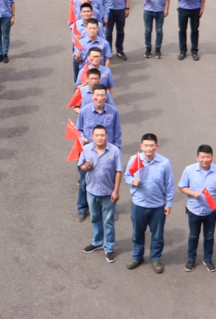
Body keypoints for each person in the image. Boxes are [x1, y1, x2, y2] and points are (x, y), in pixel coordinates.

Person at [124, 133, 174, 274]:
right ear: (141, 146)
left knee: (157, 236)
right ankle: (137, 256)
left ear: (156, 147)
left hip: (157, 206)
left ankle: (155, 258)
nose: (148, 148)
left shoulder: (164, 163)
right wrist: (132, 181)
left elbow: (169, 185)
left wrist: (168, 204)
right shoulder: (134, 160)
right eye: (145, 145)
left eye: (151, 146)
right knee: (137, 233)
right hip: (138, 205)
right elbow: (127, 176)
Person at [75, 86, 122, 222]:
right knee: (84, 182)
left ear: (106, 97)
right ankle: (82, 208)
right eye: (97, 95)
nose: (100, 98)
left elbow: (117, 132)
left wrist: (117, 150)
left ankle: (110, 208)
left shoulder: (113, 112)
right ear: (92, 96)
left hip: (108, 153)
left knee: (110, 182)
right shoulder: (84, 111)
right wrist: (82, 138)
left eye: (102, 95)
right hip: (89, 154)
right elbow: (78, 131)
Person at [178, 144, 216, 273]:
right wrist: (192, 193)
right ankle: (191, 259)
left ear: (212, 157)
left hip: (211, 211)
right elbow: (182, 187)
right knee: (193, 236)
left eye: (208, 157)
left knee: (209, 236)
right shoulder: (189, 170)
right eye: (202, 157)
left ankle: (207, 259)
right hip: (194, 210)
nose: (205, 160)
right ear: (197, 158)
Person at [79, 126, 123, 263]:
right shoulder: (86, 149)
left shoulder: (114, 151)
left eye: (102, 135)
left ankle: (109, 248)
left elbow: (118, 171)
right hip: (91, 191)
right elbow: (81, 166)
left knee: (108, 221)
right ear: (92, 136)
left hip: (108, 193)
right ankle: (97, 242)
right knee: (95, 218)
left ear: (106, 136)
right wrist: (85, 167)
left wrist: (116, 191)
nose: (99, 138)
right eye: (97, 135)